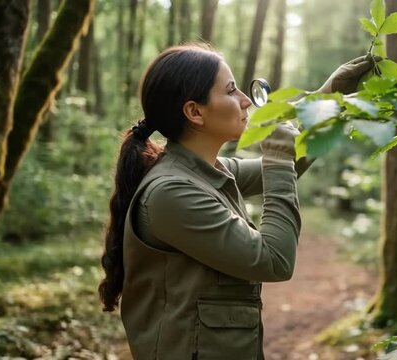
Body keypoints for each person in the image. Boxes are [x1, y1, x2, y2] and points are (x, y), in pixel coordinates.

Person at [97, 43, 377, 360]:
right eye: (231, 91)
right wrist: (278, 160)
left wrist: (326, 99)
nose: (245, 100)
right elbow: (275, 260)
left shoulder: (202, 169)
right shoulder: (170, 192)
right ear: (194, 112)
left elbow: (287, 163)